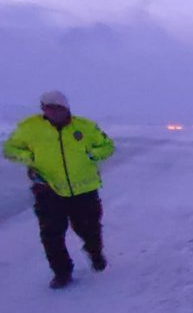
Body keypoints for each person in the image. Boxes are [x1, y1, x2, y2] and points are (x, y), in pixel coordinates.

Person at [2, 91, 115, 288]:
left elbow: (107, 146)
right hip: (48, 190)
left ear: (66, 108)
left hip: (84, 190)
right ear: (43, 109)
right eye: (48, 108)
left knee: (89, 229)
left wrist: (92, 155)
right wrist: (30, 158)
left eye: (58, 108)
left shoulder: (85, 127)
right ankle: (62, 273)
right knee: (51, 234)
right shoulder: (29, 127)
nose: (53, 112)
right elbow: (10, 149)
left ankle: (95, 253)